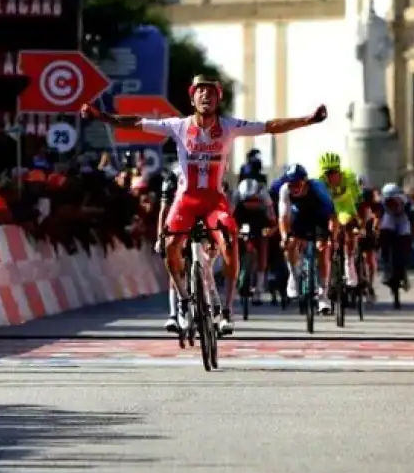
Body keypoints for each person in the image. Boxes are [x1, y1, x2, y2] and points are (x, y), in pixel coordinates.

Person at [85, 74, 326, 336]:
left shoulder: (230, 126)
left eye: (211, 92)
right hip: (186, 200)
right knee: (169, 246)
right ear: (192, 98)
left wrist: (308, 120)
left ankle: (227, 310)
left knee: (231, 244)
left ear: (218, 99)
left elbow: (270, 125)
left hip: (214, 201)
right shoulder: (177, 126)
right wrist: (102, 117)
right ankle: (183, 299)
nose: (205, 96)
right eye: (200, 91)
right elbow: (135, 123)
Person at [277, 163, 338, 315]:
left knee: (323, 249)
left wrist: (332, 237)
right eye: (291, 183)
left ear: (305, 182)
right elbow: (283, 217)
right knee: (290, 243)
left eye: (297, 183)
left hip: (320, 218)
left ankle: (323, 295)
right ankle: (293, 275)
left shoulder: (317, 189)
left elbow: (332, 216)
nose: (294, 187)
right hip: (300, 218)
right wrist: (285, 236)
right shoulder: (285, 190)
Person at [317, 152, 363, 287]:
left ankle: (349, 262)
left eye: (334, 172)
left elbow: (357, 200)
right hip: (329, 207)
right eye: (327, 173)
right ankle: (328, 269)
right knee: (328, 237)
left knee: (350, 230)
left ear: (339, 170)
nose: (330, 176)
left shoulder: (348, 177)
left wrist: (358, 220)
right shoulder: (319, 181)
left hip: (345, 205)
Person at [232, 177, 274, 304]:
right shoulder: (236, 196)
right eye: (247, 201)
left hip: (260, 219)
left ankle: (259, 289)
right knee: (234, 244)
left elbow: (272, 218)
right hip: (242, 217)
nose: (250, 203)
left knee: (263, 246)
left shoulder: (265, 196)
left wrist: (270, 229)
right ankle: (238, 274)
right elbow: (230, 216)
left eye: (253, 200)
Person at [377, 183, 414, 297]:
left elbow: (413, 222)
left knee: (405, 243)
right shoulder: (381, 204)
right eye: (388, 200)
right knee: (384, 239)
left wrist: (410, 239)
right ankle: (386, 271)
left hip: (403, 219)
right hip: (389, 218)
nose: (392, 202)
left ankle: (403, 272)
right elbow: (378, 219)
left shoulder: (408, 204)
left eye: (394, 199)